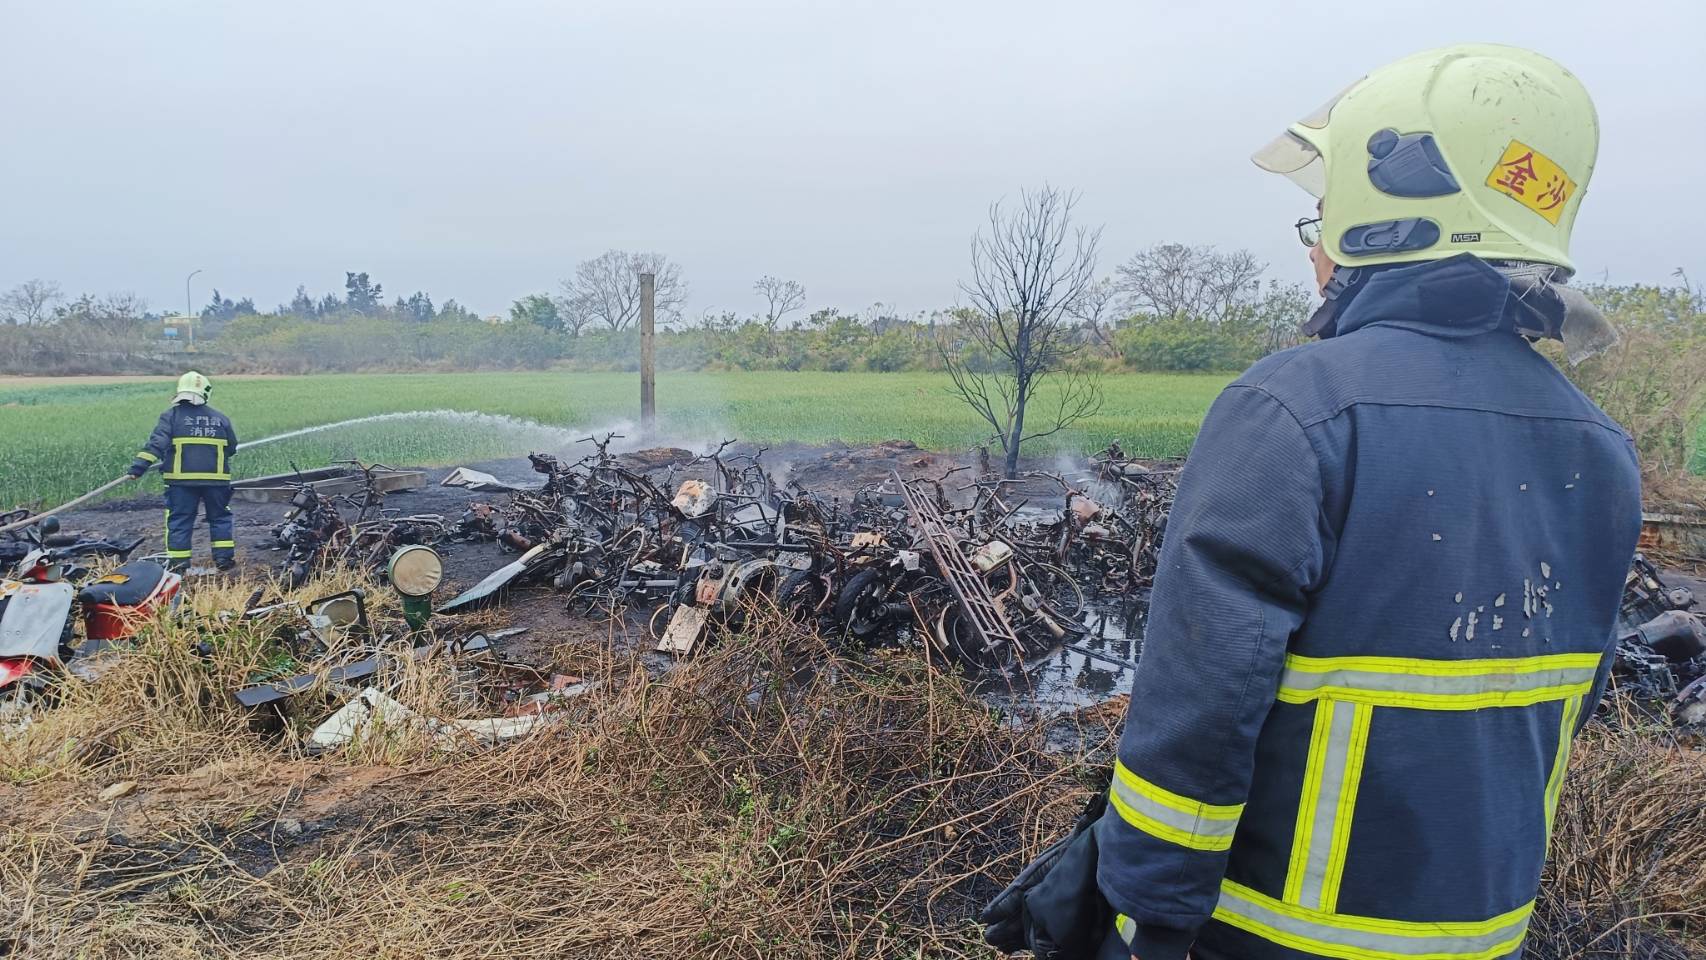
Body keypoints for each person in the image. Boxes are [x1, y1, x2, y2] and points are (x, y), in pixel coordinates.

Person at [1094, 44, 1642, 960]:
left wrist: (1143, 910)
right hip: (1486, 930)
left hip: (1281, 932)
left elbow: (1201, 705)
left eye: (1319, 219)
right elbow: (1563, 705)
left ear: (1389, 219)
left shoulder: (1295, 410)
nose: (1313, 246)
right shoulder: (1599, 446)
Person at [125, 371, 239, 573]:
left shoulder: (171, 416)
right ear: (205, 391)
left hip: (181, 483)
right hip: (216, 481)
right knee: (220, 518)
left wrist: (138, 468)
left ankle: (178, 565)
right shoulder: (220, 418)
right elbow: (232, 447)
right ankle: (224, 560)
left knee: (180, 520)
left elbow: (156, 444)